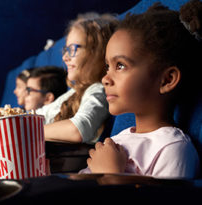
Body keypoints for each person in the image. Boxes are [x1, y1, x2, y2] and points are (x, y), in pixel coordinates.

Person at [85, 1, 201, 178]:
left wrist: (110, 174)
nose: (105, 78)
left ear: (167, 80)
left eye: (121, 66)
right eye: (108, 66)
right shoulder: (118, 139)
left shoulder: (172, 148)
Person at [36, 13, 118, 143]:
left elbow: (78, 130)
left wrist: (28, 131)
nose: (65, 58)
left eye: (72, 49)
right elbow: (39, 115)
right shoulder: (73, 93)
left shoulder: (98, 90)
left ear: (97, 52)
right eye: (65, 50)